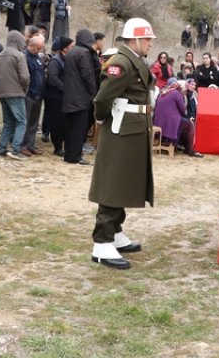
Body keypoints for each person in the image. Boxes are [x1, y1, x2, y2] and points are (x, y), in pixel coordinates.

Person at [88, 17, 157, 269]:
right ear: (135, 39)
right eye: (147, 39)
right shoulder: (121, 62)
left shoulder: (133, 60)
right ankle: (102, 243)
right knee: (113, 184)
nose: (150, 43)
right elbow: (103, 98)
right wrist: (102, 119)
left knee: (124, 183)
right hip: (121, 130)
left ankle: (115, 231)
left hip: (133, 129)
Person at [61, 28, 99, 165]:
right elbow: (87, 75)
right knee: (79, 129)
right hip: (80, 97)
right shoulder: (84, 53)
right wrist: (94, 92)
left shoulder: (71, 52)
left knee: (70, 128)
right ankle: (75, 156)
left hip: (69, 96)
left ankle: (68, 154)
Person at [0, 30, 31, 160]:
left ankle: (1, 149)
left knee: (8, 122)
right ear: (18, 41)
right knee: (21, 121)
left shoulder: (0, 56)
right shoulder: (19, 56)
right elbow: (25, 77)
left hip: (2, 93)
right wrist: (24, 89)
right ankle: (16, 150)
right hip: (16, 92)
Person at [44, 36, 72, 156]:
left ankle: (63, 145)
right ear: (65, 48)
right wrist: (65, 88)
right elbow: (53, 79)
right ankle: (57, 146)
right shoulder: (55, 61)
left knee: (64, 122)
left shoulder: (67, 59)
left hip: (63, 96)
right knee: (57, 122)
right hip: (55, 97)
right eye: (71, 46)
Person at [22, 32, 46, 156]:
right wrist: (28, 92)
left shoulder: (37, 57)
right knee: (25, 121)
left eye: (40, 48)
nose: (39, 50)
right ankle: (23, 145)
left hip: (38, 94)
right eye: (38, 48)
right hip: (29, 94)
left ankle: (30, 145)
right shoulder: (24, 57)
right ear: (30, 46)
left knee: (34, 122)